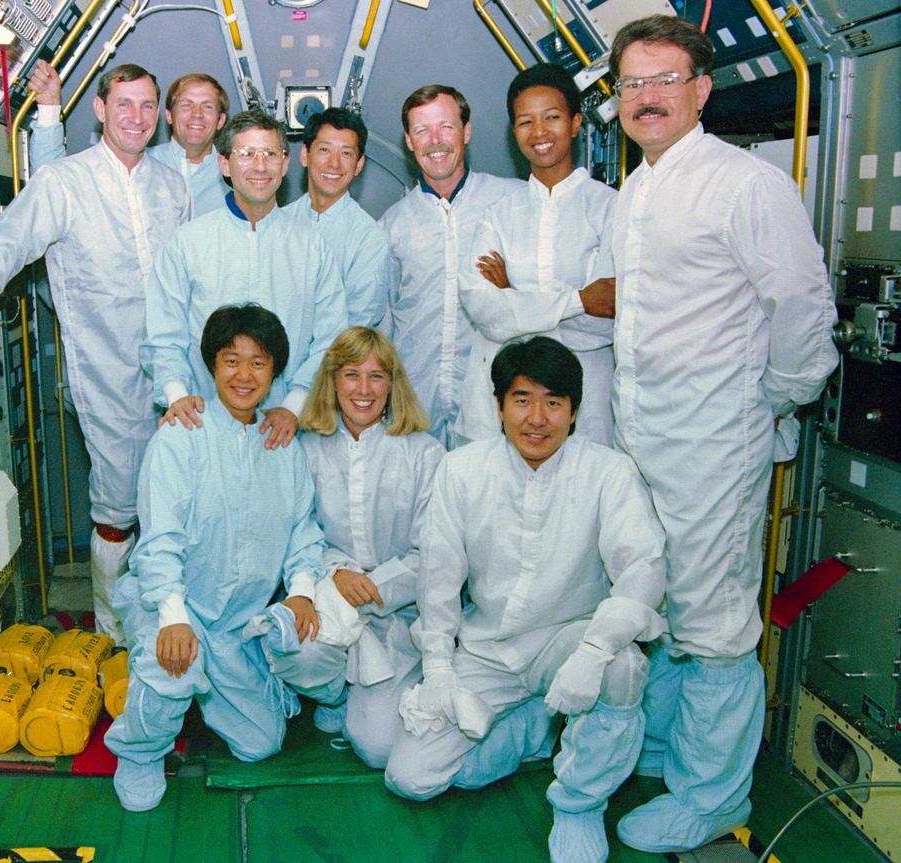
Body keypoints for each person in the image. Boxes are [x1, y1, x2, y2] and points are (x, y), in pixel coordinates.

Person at [604, 15, 837, 853]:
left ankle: (710, 793)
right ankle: (667, 754)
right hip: (647, 436)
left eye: (665, 80)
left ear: (702, 88)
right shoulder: (639, 188)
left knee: (714, 622)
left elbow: (804, 313)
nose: (648, 97)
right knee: (657, 600)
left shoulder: (744, 184)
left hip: (713, 441)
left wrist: (769, 404)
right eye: (632, 84)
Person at [385, 337, 667, 863]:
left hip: (569, 642)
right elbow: (439, 583)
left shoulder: (609, 473)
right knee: (412, 777)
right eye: (522, 400)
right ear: (498, 407)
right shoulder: (462, 470)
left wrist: (594, 651)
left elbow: (644, 570)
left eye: (554, 402)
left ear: (575, 412)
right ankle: (535, 725)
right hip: (488, 647)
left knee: (623, 669)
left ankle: (579, 805)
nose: (537, 418)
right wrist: (441, 674)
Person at [0, 65, 189, 643]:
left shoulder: (172, 186)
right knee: (118, 506)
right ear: (99, 110)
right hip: (106, 370)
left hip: (179, 371)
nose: (136, 117)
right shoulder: (64, 183)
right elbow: (5, 251)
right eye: (124, 104)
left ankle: (170, 622)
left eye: (148, 105)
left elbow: (192, 275)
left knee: (179, 503)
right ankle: (113, 633)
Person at [104, 304, 324, 812]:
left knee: (260, 744)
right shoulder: (183, 433)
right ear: (211, 364)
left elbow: (301, 531)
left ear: (275, 373)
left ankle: (201, 692)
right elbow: (159, 539)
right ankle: (140, 748)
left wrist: (303, 592)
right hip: (175, 606)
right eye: (231, 360)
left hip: (233, 626)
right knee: (170, 666)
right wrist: (173, 618)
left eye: (259, 362)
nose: (244, 375)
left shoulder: (283, 444)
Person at [249, 327, 441, 766]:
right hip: (329, 596)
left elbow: (433, 551)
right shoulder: (305, 449)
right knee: (300, 648)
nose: (364, 389)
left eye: (377, 376)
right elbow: (295, 532)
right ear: (332, 381)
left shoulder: (424, 453)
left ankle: (363, 694)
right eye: (352, 374)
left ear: (393, 384)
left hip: (396, 612)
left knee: (377, 750)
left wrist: (374, 586)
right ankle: (332, 695)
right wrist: (336, 573)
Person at [142, 109, 347, 451]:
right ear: (224, 165)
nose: (260, 166)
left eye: (270, 154)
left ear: (285, 164)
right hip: (203, 421)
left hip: (284, 428)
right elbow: (164, 337)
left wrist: (293, 407)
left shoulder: (312, 246)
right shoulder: (188, 243)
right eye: (246, 154)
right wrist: (178, 397)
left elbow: (331, 338)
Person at [453, 64, 617, 446]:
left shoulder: (609, 209)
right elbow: (485, 309)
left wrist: (516, 298)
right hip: (501, 398)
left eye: (553, 118)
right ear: (514, 133)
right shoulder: (500, 213)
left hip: (584, 397)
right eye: (526, 122)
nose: (539, 132)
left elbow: (605, 319)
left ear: (576, 123)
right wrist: (578, 299)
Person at [381, 84, 522, 448]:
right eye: (422, 130)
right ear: (409, 142)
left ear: (467, 131)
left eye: (446, 126)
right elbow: (384, 319)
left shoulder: (510, 201)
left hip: (491, 394)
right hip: (415, 398)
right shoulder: (393, 223)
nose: (435, 141)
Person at [28, 62, 231, 217]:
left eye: (207, 106)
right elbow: (53, 181)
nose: (197, 115)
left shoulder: (238, 175)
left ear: (221, 120)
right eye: (186, 105)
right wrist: (49, 107)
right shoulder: (136, 163)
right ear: (168, 115)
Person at [283, 109, 391, 328]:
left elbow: (359, 322)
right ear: (305, 155)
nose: (334, 164)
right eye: (324, 150)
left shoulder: (369, 238)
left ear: (359, 165)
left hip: (337, 359)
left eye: (346, 153)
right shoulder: (278, 223)